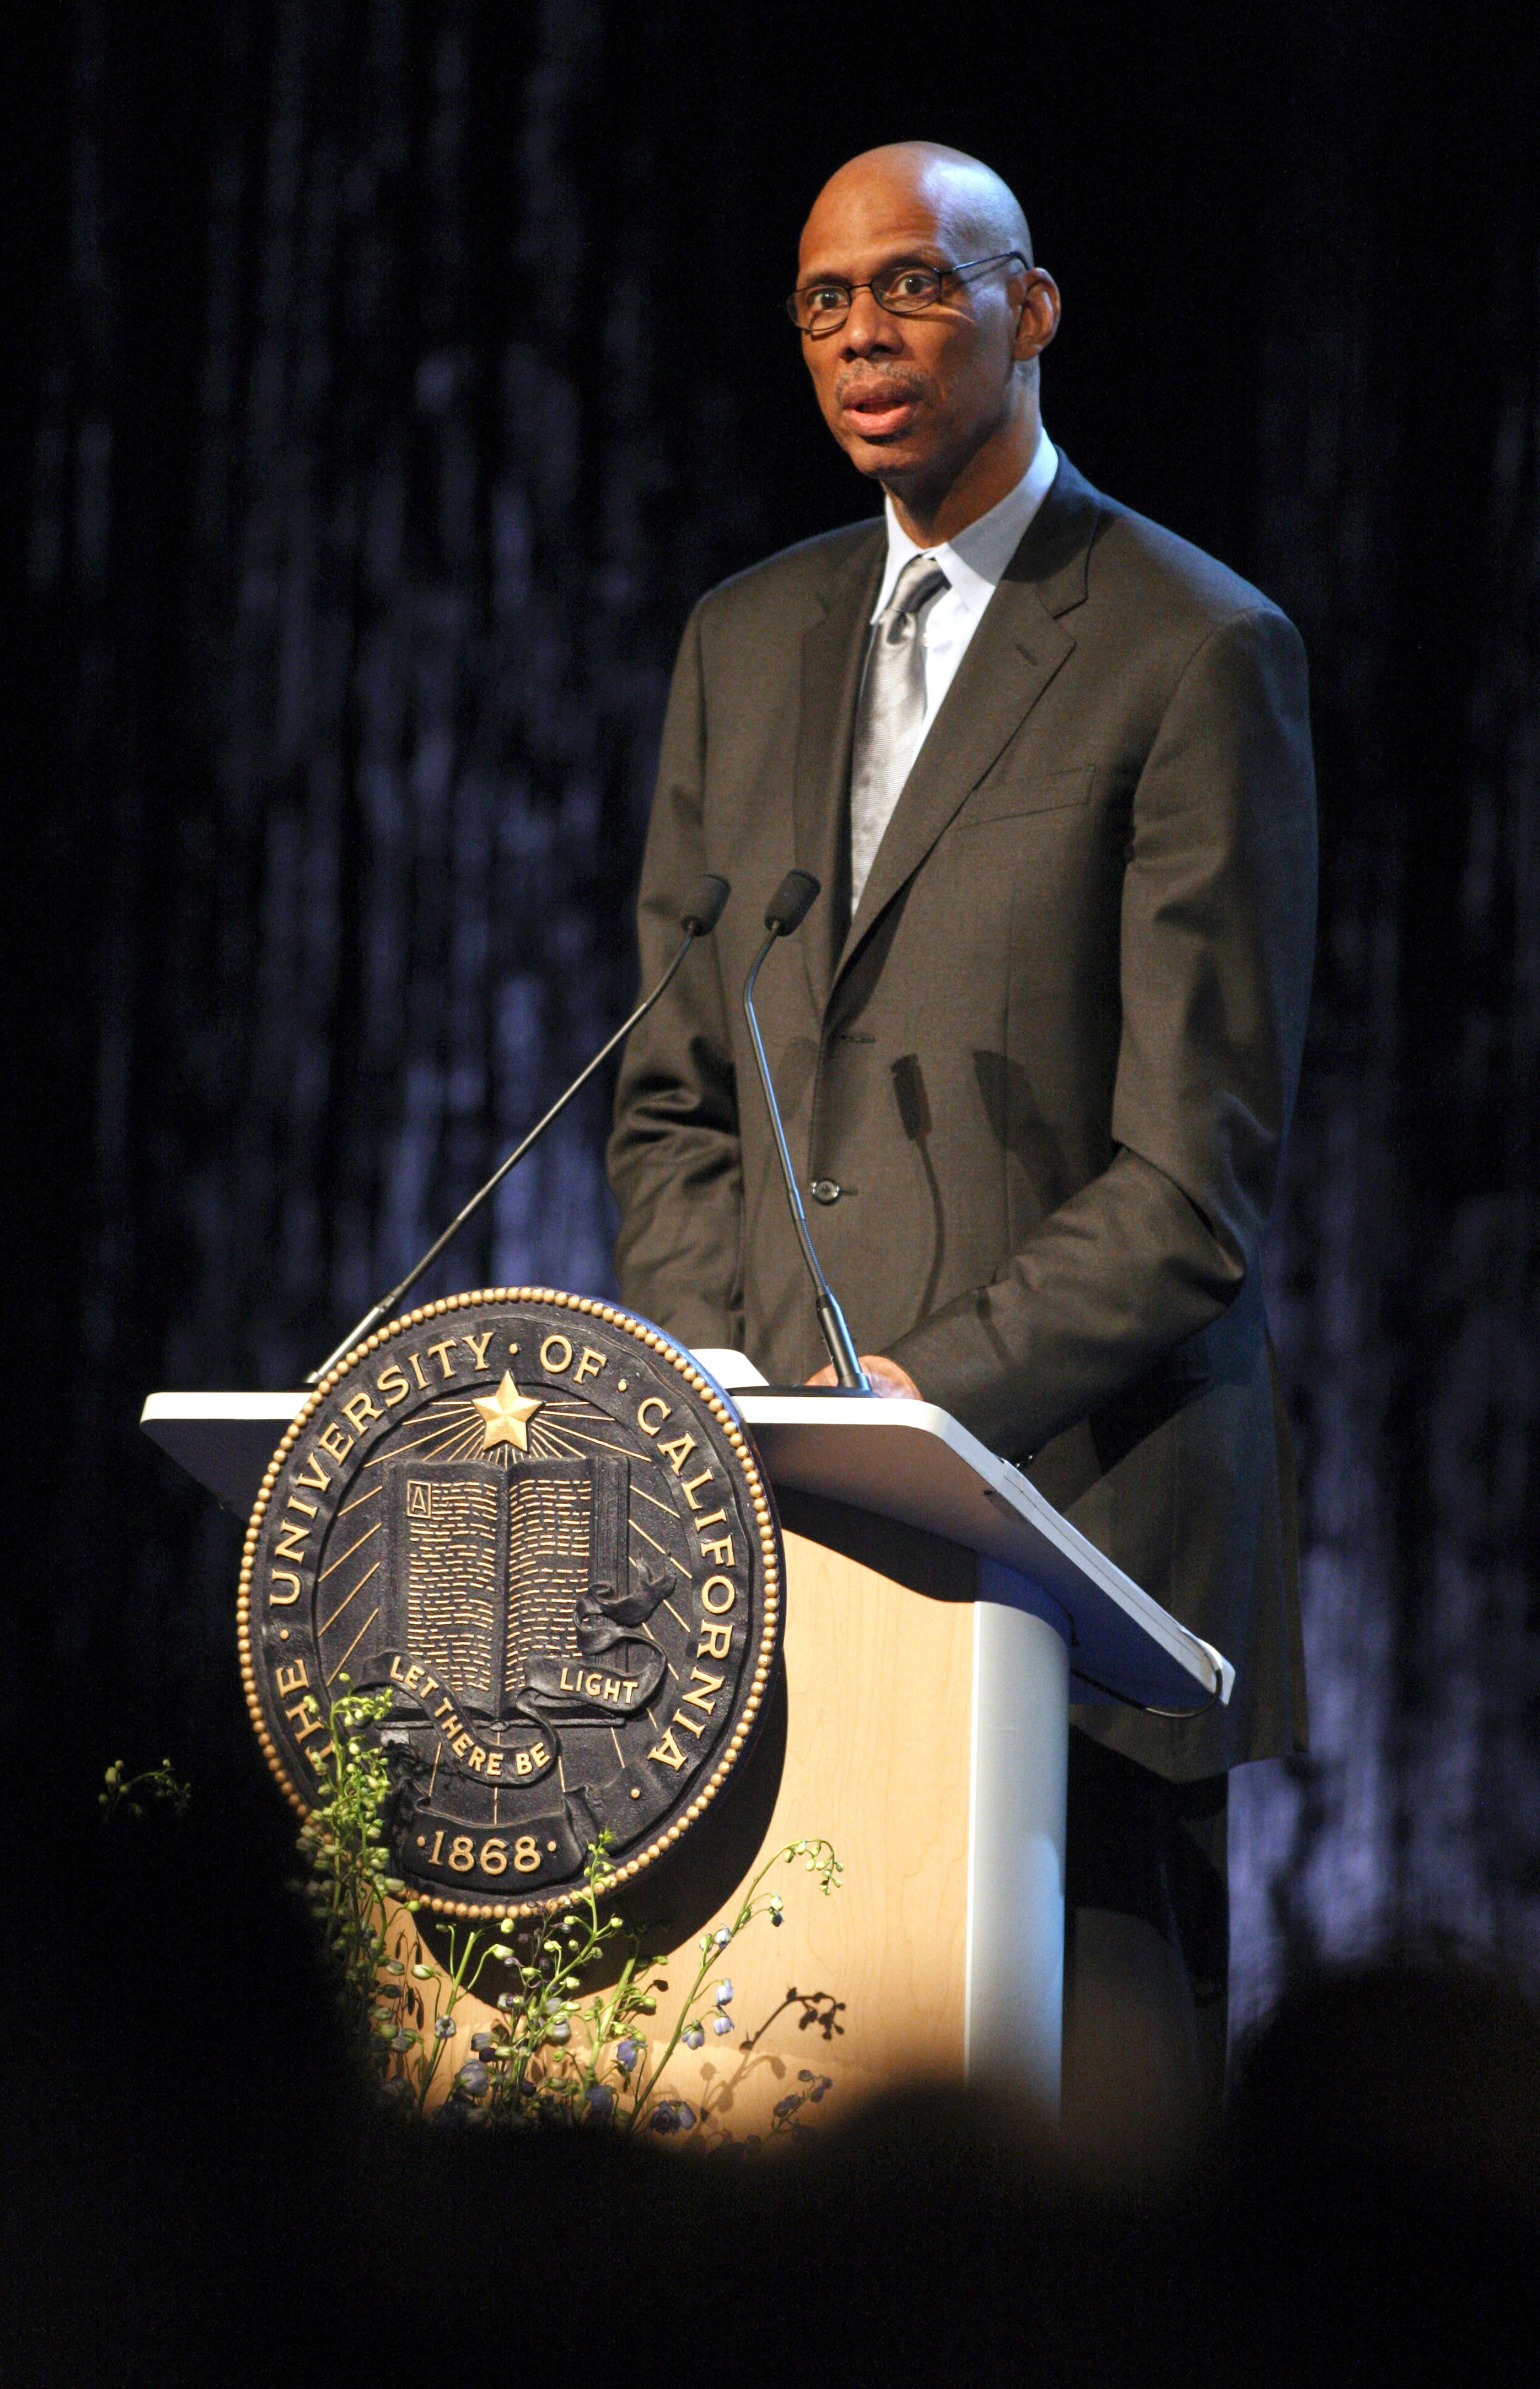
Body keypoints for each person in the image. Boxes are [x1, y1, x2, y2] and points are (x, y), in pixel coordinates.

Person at [608, 141, 1316, 2135]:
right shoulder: (742, 647)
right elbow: (672, 1092)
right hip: (789, 1565)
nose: (863, 339)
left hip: (1081, 1559)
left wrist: (920, 1405)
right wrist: (730, 1384)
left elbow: (1192, 1185)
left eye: (915, 286)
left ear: (1034, 308)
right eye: (826, 304)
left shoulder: (1194, 649)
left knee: (1093, 2221)